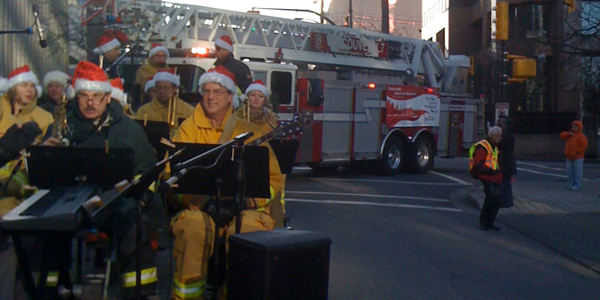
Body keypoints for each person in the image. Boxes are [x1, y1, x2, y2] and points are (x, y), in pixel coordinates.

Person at [42, 61, 158, 299]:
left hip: (113, 203)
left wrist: (138, 199)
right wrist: (46, 154)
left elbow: (147, 172)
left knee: (135, 220)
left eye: (96, 96)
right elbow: (43, 176)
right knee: (46, 225)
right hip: (68, 202)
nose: (90, 102)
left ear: (108, 98)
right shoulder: (62, 125)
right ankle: (49, 287)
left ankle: (140, 290)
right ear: (76, 98)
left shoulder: (129, 130)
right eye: (84, 96)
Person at [169, 65, 283, 300]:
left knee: (250, 234)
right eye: (207, 91)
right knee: (192, 229)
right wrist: (204, 203)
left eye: (218, 91)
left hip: (245, 208)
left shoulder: (248, 131)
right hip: (201, 207)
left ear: (230, 96)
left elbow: (273, 178)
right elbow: (170, 177)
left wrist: (248, 202)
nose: (211, 97)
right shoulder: (187, 129)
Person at [234, 79, 286, 227]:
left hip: (262, 165)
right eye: (253, 95)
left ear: (264, 100)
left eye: (260, 96)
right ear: (247, 97)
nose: (256, 99)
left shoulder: (270, 120)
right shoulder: (237, 116)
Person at [135, 69, 194, 134]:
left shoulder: (189, 111)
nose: (162, 91)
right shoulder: (144, 111)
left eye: (166, 88)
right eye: (159, 88)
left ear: (175, 89)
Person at [469, 126, 503, 231]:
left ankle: (489, 222)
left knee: (497, 199)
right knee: (491, 197)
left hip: (494, 176)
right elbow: (478, 164)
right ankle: (484, 221)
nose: (500, 138)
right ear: (492, 136)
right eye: (498, 136)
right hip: (487, 175)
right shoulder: (483, 146)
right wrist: (490, 171)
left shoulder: (494, 147)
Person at [560, 120, 588, 191]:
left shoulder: (581, 136)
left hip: (578, 157)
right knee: (570, 171)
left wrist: (578, 152)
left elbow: (584, 145)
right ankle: (573, 184)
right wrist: (568, 134)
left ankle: (577, 185)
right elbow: (562, 135)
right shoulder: (569, 135)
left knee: (577, 172)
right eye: (573, 126)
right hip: (569, 157)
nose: (574, 127)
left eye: (576, 126)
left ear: (579, 128)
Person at [497, 117, 517, 208]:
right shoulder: (508, 135)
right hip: (507, 162)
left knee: (505, 182)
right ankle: (506, 200)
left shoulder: (507, 136)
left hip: (506, 162)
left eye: (503, 124)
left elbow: (498, 143)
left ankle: (506, 201)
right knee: (505, 182)